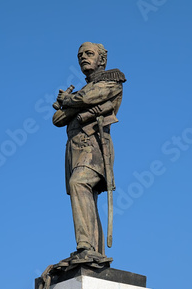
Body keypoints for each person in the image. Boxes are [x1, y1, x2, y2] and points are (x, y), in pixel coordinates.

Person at [52, 42, 126, 262]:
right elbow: (58, 119)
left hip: (95, 148)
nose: (83, 57)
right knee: (86, 198)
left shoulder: (112, 81)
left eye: (89, 53)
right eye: (80, 55)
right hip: (75, 151)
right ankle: (94, 251)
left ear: (101, 59)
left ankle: (85, 246)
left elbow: (88, 99)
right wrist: (71, 104)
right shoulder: (86, 88)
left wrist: (68, 102)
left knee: (80, 183)